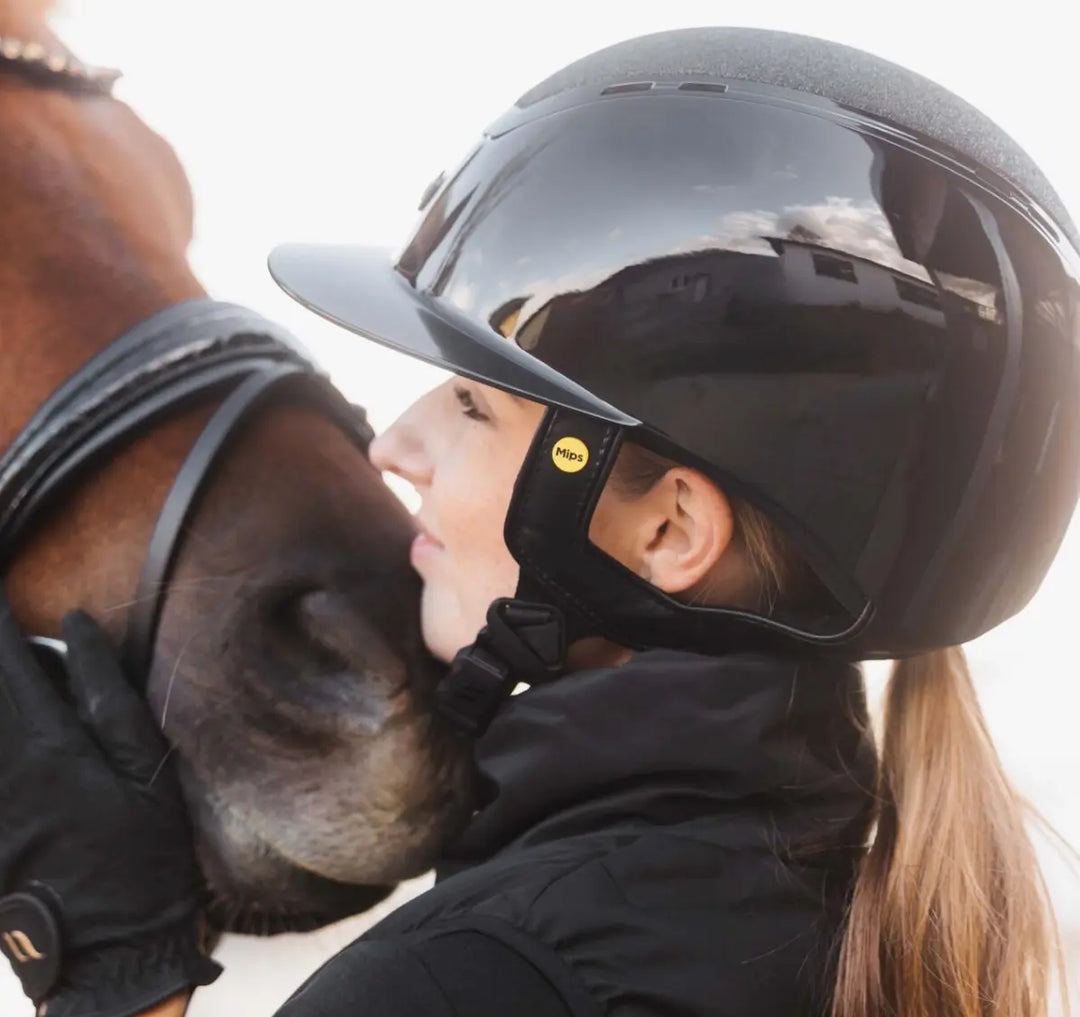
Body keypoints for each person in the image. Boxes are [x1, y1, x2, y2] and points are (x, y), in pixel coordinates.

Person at [2, 25, 1078, 1017]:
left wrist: (118, 978)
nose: (392, 446)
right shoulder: (871, 906)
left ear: (667, 534)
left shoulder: (460, 984)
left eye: (473, 406)